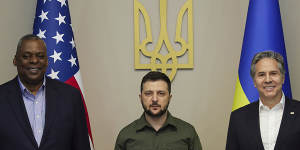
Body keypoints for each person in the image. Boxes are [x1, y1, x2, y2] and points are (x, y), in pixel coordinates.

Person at [0, 34, 91, 150]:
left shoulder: (71, 97)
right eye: (26, 56)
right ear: (15, 60)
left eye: (40, 56)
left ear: (47, 61)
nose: (34, 60)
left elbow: (81, 146)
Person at [226, 51, 300, 150]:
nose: (268, 80)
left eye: (273, 73)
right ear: (254, 81)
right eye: (261, 75)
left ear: (283, 78)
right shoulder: (238, 117)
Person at [114, 71, 202, 150]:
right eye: (148, 93)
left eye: (161, 93)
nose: (155, 99)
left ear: (169, 98)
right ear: (141, 98)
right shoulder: (126, 135)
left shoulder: (188, 133)